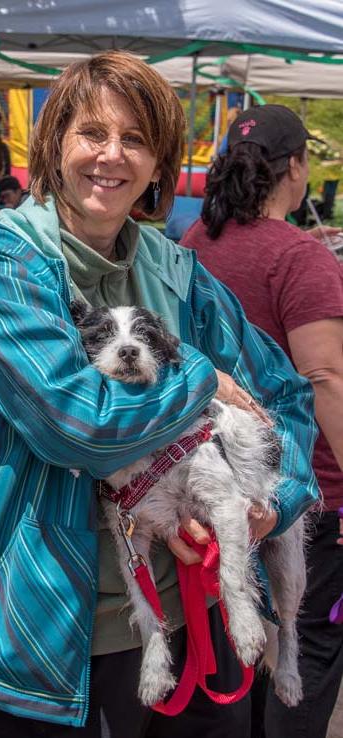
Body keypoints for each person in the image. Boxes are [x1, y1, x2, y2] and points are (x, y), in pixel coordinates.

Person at [0, 52, 318, 738]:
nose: (111, 156)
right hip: (52, 629)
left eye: (134, 139)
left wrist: (267, 505)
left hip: (194, 612)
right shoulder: (3, 269)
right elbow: (78, 426)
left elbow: (286, 395)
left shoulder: (178, 272)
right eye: (91, 133)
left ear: (160, 165)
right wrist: (198, 378)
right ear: (54, 146)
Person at [180, 104, 343, 738]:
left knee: (240, 643)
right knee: (305, 651)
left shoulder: (195, 242)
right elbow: (326, 378)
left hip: (217, 483)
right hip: (305, 494)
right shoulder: (300, 256)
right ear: (295, 167)